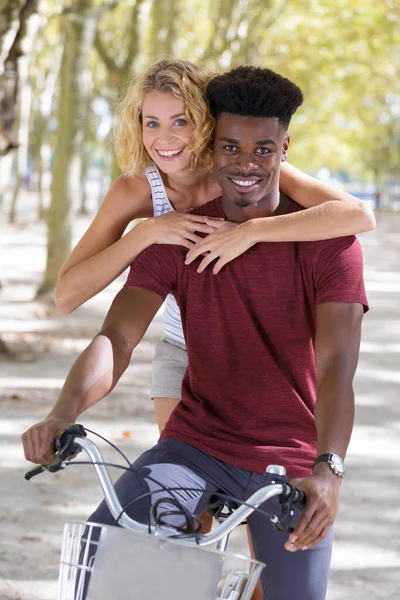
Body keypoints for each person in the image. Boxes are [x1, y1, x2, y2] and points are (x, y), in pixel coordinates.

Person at [23, 65, 368, 600]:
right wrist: (63, 412)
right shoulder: (176, 231)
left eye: (262, 151)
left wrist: (330, 469)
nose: (245, 165)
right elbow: (117, 337)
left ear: (284, 149)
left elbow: (336, 366)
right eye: (231, 148)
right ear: (214, 146)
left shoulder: (330, 240)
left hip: (291, 459)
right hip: (196, 446)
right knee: (108, 555)